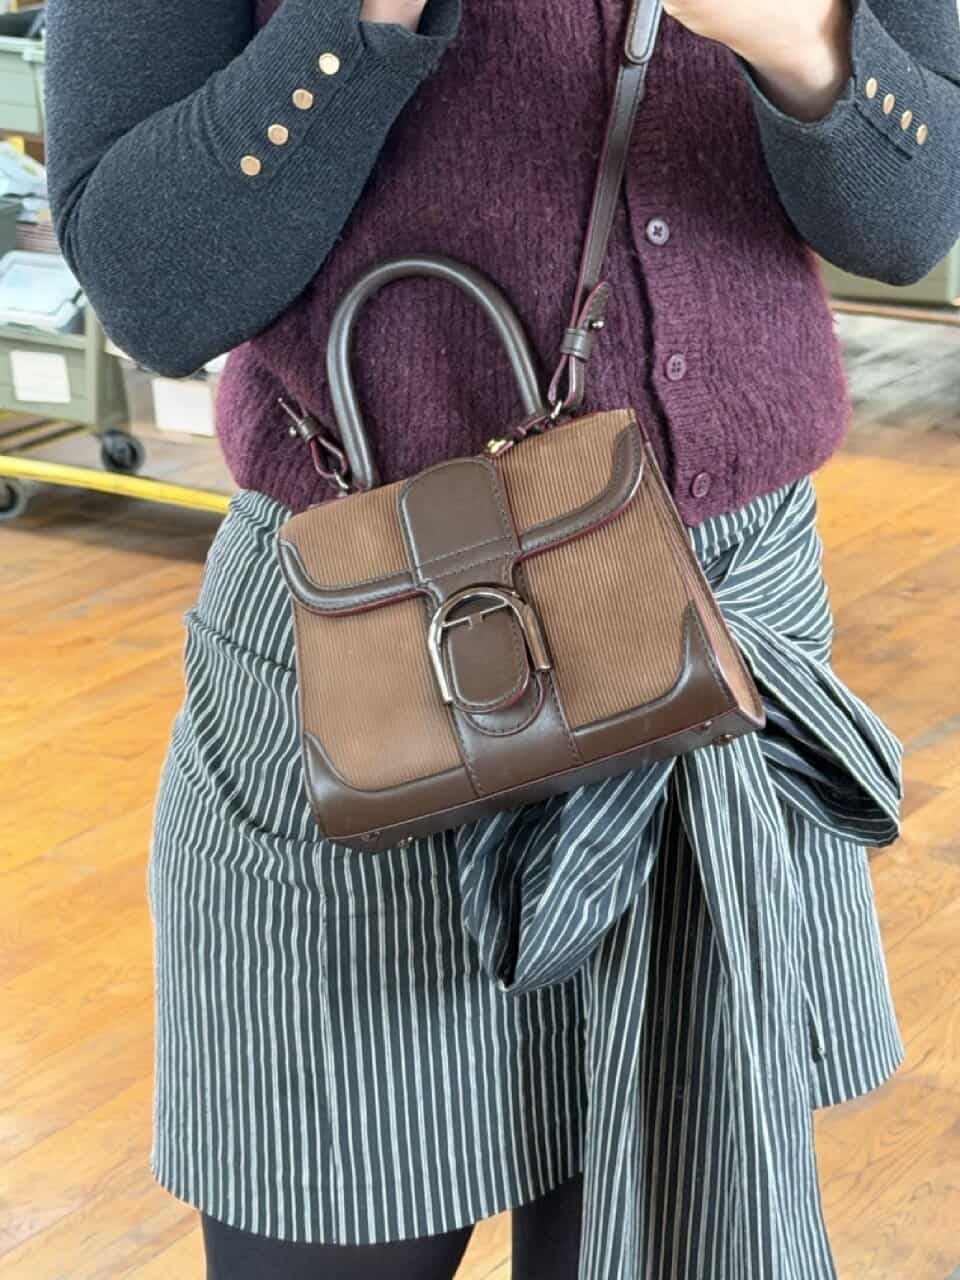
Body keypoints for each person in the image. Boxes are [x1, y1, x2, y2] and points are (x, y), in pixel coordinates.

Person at [45, 1, 960, 1277]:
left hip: (718, 654)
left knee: (670, 1224)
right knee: (324, 1211)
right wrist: (360, 18)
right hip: (364, 650)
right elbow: (153, 288)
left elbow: (914, 218)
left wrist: (803, 38)